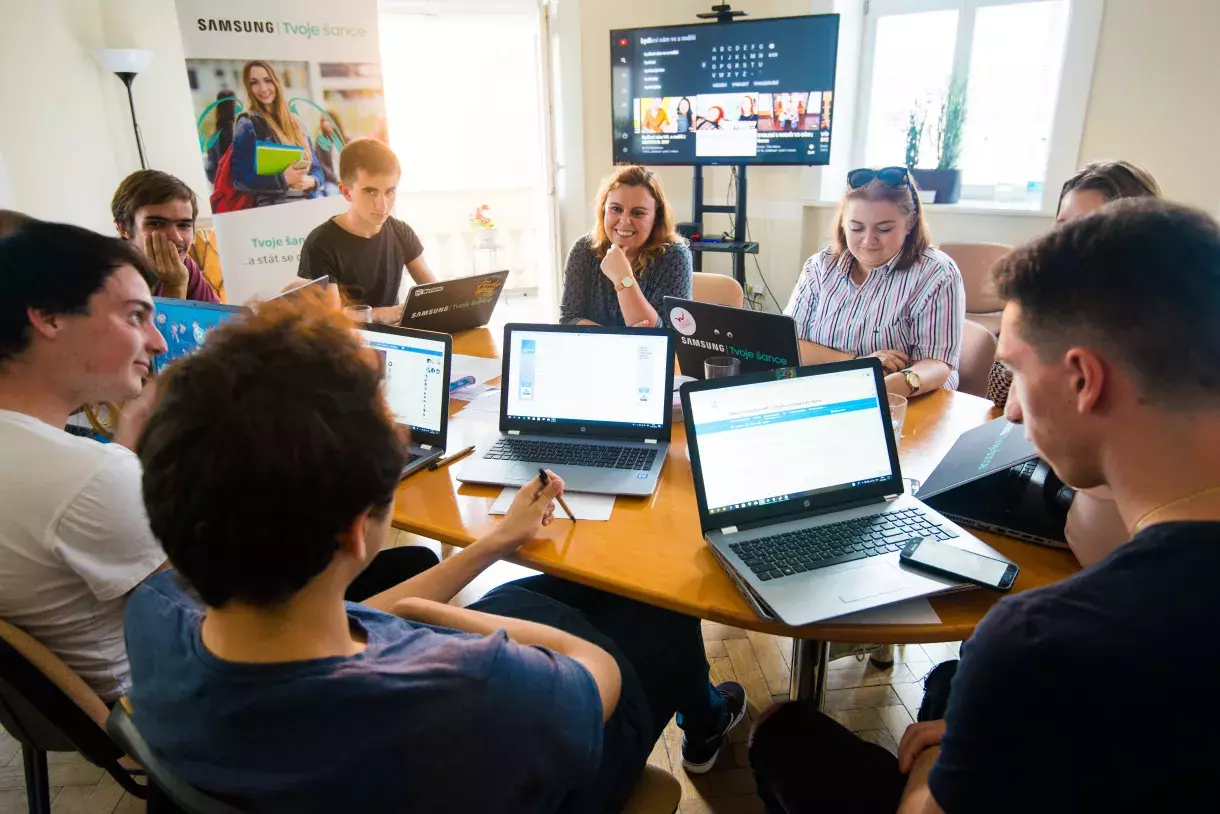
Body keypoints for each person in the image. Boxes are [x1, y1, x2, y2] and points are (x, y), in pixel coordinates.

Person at [124, 295, 746, 812]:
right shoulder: (472, 686)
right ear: (356, 531)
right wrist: (442, 619)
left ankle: (706, 712)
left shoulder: (153, 615)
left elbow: (347, 619)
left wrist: (495, 543)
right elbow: (597, 673)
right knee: (659, 607)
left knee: (581, 588)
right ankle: (709, 719)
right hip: (555, 764)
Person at [750, 198, 1220, 812]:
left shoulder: (1034, 639)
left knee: (782, 730)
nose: (1013, 411)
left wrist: (950, 756)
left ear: (1084, 380)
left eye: (1016, 373)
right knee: (950, 682)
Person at [0, 221, 169, 701]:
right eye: (135, 316)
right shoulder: (87, 477)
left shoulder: (55, 461)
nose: (158, 342)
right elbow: (228, 613)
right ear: (49, 316)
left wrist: (128, 437)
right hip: (164, 703)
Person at [988, 160, 1162, 410]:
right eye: (1064, 228)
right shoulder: (1048, 292)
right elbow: (997, 391)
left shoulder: (1161, 315)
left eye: (1086, 229)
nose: (1067, 243)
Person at [785, 166, 965, 397]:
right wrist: (859, 364)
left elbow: (938, 363)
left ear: (910, 222)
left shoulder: (937, 273)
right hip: (826, 393)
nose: (869, 240)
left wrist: (890, 386)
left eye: (884, 229)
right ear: (843, 223)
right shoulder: (820, 267)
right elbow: (791, 344)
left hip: (906, 400)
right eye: (856, 227)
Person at [298, 138, 438, 323]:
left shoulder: (401, 231)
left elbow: (436, 293)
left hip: (394, 337)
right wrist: (390, 313)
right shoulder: (320, 243)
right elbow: (332, 319)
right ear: (346, 192)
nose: (382, 205)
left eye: (389, 192)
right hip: (348, 340)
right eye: (370, 192)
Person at [559, 165, 692, 329]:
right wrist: (620, 340)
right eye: (616, 209)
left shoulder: (675, 256)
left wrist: (623, 279)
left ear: (656, 218)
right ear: (603, 210)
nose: (624, 221)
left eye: (638, 213)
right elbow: (569, 319)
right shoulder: (583, 249)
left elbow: (662, 335)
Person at [111, 170, 221, 303]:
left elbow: (214, 315)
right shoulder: (106, 280)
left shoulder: (182, 265)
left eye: (183, 225)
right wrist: (175, 287)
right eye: (156, 224)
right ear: (123, 228)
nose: (176, 238)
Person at [230, 60, 325, 208]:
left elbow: (317, 169)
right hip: (274, 209)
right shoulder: (248, 123)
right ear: (249, 88)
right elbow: (239, 180)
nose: (263, 88)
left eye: (268, 80)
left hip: (308, 205)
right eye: (254, 83)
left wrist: (312, 181)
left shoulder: (297, 123)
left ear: (277, 82)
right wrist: (283, 179)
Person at [203, 90, 238, 185]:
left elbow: (210, 172)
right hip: (243, 187)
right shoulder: (244, 131)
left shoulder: (214, 138)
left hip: (223, 187)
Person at [314, 109, 347, 189]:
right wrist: (335, 179)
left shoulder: (345, 140)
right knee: (333, 191)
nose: (325, 123)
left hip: (346, 180)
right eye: (323, 121)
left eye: (328, 120)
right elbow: (321, 164)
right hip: (331, 181)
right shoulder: (320, 141)